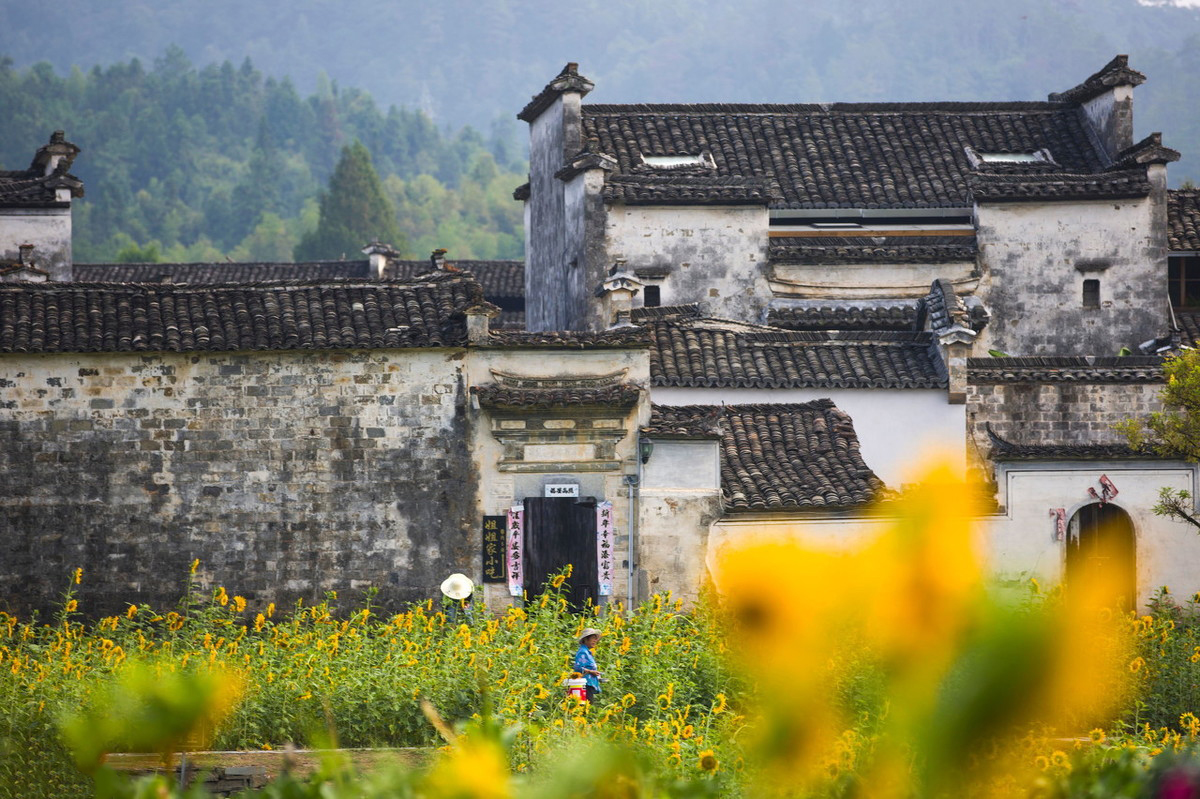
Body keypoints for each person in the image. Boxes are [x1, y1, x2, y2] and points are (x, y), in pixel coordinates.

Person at [572, 628, 603, 702]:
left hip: (589, 683)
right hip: (584, 684)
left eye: (596, 639)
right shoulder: (582, 652)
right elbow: (578, 667)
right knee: (586, 706)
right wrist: (591, 671)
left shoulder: (587, 652)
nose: (595, 641)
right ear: (586, 639)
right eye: (593, 638)